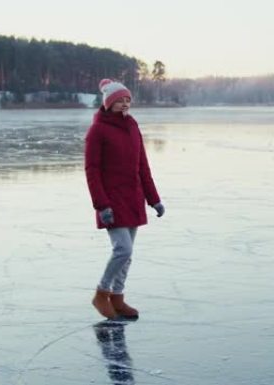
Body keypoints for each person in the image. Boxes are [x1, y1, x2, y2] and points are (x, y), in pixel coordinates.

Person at [84, 79, 165, 320]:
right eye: (120, 99)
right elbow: (92, 170)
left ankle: (117, 298)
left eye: (128, 99)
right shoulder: (97, 130)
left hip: (133, 198)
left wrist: (154, 199)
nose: (125, 103)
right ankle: (101, 294)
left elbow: (143, 166)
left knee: (127, 254)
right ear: (109, 102)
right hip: (111, 200)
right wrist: (102, 205)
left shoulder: (132, 126)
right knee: (123, 249)